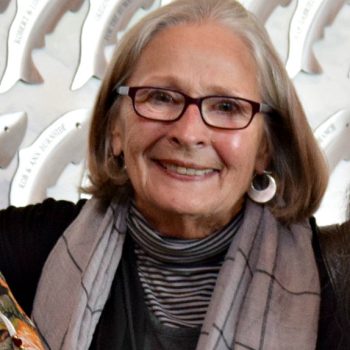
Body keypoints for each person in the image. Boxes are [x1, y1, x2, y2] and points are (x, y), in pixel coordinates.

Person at [0, 0, 349, 349]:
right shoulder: (31, 248)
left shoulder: (336, 287)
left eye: (227, 106)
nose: (188, 132)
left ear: (265, 147)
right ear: (116, 128)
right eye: (161, 98)